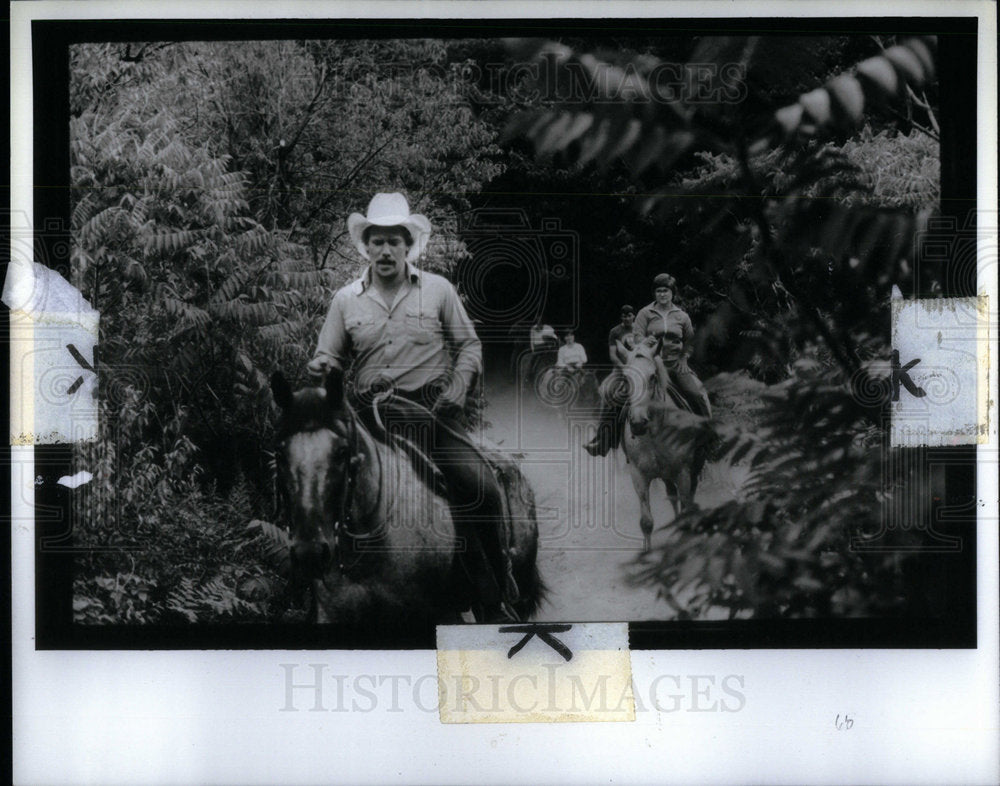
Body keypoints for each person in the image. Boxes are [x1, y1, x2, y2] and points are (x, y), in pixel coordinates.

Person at [307, 192, 518, 622]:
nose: (385, 250)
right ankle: (314, 589)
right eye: (377, 241)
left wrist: (459, 388)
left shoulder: (438, 290)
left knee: (480, 485)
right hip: (366, 418)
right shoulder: (346, 300)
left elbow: (469, 346)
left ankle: (494, 595)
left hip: (428, 415)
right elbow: (329, 356)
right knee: (315, 482)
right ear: (366, 246)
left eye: (393, 241)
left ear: (408, 245)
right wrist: (321, 365)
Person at [632, 273, 711, 418]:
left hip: (675, 364)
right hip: (650, 364)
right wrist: (643, 342)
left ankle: (710, 436)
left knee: (697, 395)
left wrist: (684, 358)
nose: (662, 294)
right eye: (658, 291)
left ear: (673, 292)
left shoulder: (682, 316)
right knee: (621, 394)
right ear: (654, 293)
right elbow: (637, 337)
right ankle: (609, 436)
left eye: (665, 290)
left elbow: (690, 341)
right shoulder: (644, 313)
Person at [584, 305, 636, 456]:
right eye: (624, 316)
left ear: (634, 316)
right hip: (620, 372)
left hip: (639, 369)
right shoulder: (615, 332)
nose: (627, 318)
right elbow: (613, 355)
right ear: (621, 317)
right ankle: (602, 439)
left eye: (629, 315)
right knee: (608, 394)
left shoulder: (640, 329)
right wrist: (624, 368)